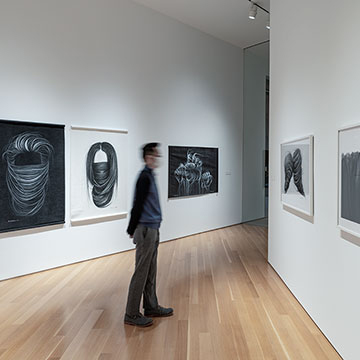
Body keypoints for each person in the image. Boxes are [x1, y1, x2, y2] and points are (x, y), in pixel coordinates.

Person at [124, 143, 174, 327]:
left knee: (151, 270)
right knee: (141, 272)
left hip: (153, 228)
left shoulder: (150, 176)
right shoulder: (144, 177)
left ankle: (151, 306)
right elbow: (137, 204)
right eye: (155, 155)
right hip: (145, 229)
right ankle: (131, 313)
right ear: (147, 157)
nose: (157, 158)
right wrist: (131, 229)